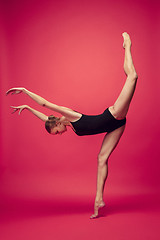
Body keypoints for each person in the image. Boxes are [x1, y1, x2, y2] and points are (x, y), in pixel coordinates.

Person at [6, 32, 138, 219]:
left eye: (57, 132)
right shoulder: (61, 123)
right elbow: (45, 117)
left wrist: (26, 91)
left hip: (114, 113)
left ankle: (127, 45)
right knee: (101, 159)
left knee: (132, 76)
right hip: (115, 127)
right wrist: (27, 108)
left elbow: (45, 105)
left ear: (58, 123)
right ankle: (98, 199)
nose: (60, 134)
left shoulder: (70, 115)